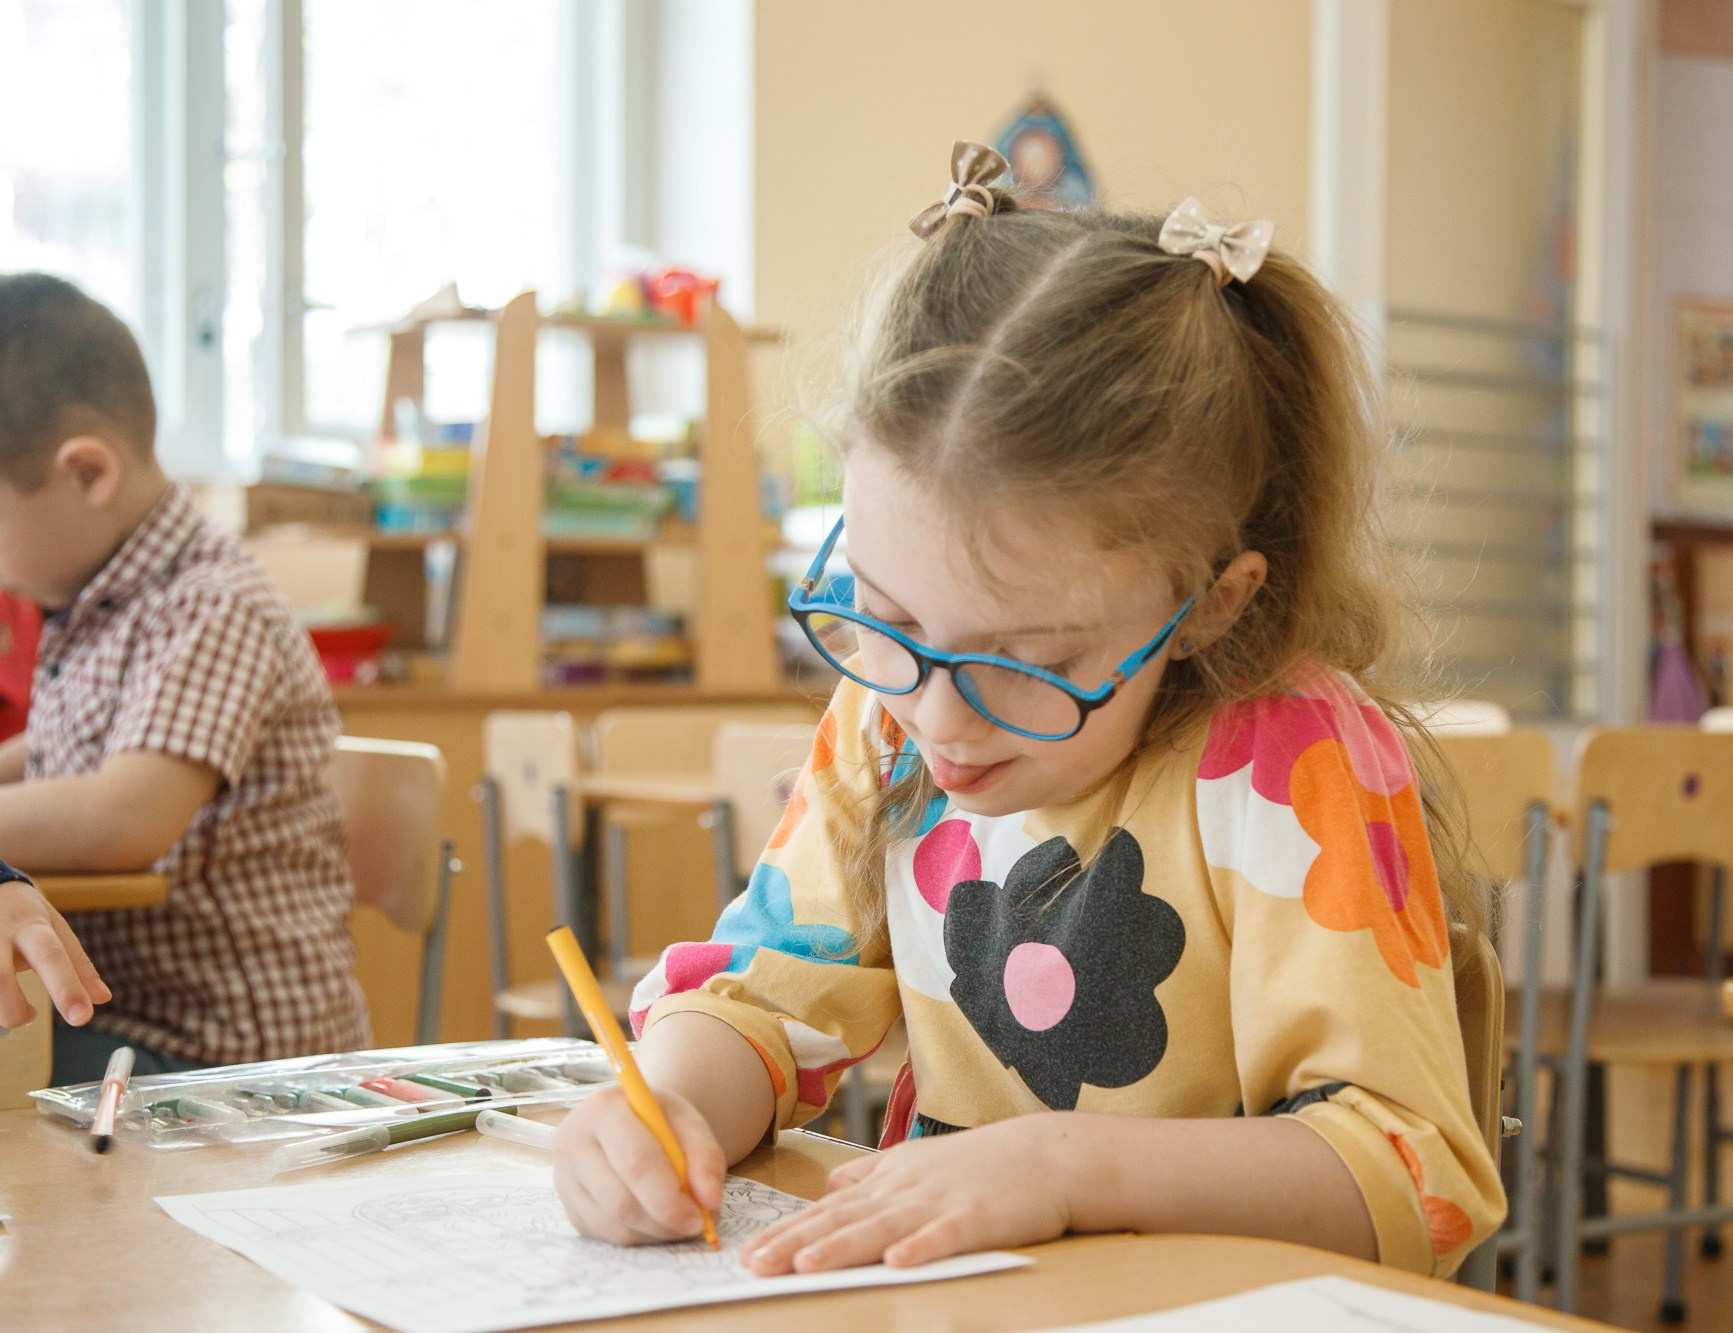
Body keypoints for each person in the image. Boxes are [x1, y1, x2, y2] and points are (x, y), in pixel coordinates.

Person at [554, 143, 1505, 1277]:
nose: (940, 717)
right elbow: (765, 1000)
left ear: (1208, 604)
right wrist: (663, 1108)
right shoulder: (886, 714)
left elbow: (1405, 1168)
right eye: (880, 612)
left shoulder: (1285, 762)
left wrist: (1062, 1165)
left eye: (1026, 660)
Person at [0, 273, 368, 1084]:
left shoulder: (209, 604)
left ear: (87, 474)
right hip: (124, 1018)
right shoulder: (98, 600)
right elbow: (58, 749)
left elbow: (120, 816)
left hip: (227, 1053)